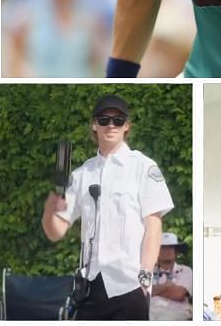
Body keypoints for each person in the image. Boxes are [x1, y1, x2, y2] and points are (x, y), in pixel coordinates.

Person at [41, 94, 175, 320]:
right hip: (90, 287)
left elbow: (153, 227)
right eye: (103, 120)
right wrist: (48, 211)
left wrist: (145, 276)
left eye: (118, 120)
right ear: (94, 125)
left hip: (129, 286)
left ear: (127, 126)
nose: (110, 125)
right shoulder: (81, 174)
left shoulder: (143, 167)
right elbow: (56, 232)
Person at [150, 231, 193, 320]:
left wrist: (152, 289)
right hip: (149, 311)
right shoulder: (149, 271)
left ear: (176, 252)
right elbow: (141, 293)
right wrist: (167, 285)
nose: (167, 251)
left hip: (176, 313)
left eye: (170, 248)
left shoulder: (185, 270)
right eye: (163, 248)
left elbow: (178, 294)